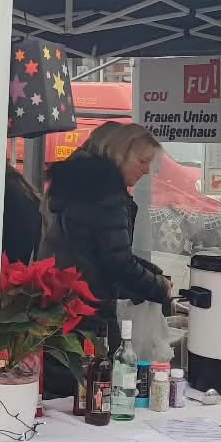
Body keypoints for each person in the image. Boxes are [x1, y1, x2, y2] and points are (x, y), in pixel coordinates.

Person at [40, 123, 171, 394]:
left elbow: (101, 249)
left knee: (61, 389)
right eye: (143, 161)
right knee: (93, 390)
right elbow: (117, 262)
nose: (147, 170)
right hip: (88, 307)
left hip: (58, 297)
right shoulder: (107, 192)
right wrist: (158, 286)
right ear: (120, 152)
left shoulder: (75, 184)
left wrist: (152, 273)